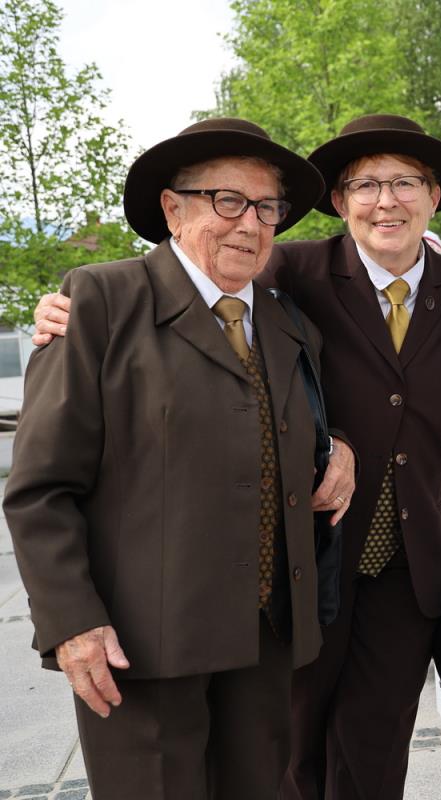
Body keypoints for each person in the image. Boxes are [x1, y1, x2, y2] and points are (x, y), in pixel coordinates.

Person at [33, 114, 441, 799]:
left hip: (403, 565)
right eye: (367, 184)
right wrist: (69, 310)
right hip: (307, 560)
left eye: (405, 183)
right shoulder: (290, 272)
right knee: (289, 746)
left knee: (373, 745)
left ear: (433, 196)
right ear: (340, 201)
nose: (386, 201)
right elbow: (178, 290)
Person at [4, 118, 344, 800]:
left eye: (267, 207)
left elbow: (292, 432)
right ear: (172, 208)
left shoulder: (289, 324)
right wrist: (72, 621)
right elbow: (40, 488)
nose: (250, 223)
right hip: (142, 645)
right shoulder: (100, 302)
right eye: (228, 200)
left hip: (266, 638)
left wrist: (340, 449)